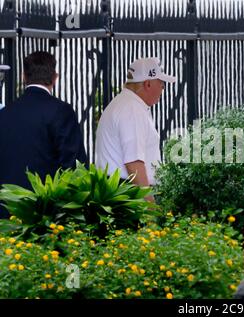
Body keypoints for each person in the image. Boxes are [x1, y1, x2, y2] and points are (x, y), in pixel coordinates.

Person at [0, 51, 87, 218]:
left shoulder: (5, 114)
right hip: (45, 215)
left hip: (6, 212)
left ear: (24, 76)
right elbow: (74, 166)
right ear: (55, 78)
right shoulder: (62, 111)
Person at [95, 57, 175, 201]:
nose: (163, 89)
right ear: (148, 84)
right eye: (161, 84)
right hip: (128, 195)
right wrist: (150, 209)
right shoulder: (132, 109)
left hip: (120, 191)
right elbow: (134, 163)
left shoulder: (126, 104)